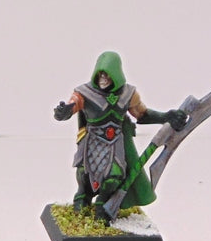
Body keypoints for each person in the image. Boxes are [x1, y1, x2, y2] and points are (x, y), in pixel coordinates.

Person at [52, 52, 187, 220]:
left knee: (114, 176)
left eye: (107, 75)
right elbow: (73, 106)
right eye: (100, 74)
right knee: (84, 171)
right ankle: (82, 197)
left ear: (115, 73)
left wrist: (166, 116)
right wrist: (63, 112)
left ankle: (102, 202)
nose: (103, 78)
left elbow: (142, 114)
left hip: (115, 141)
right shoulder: (84, 93)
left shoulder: (128, 94)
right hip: (92, 139)